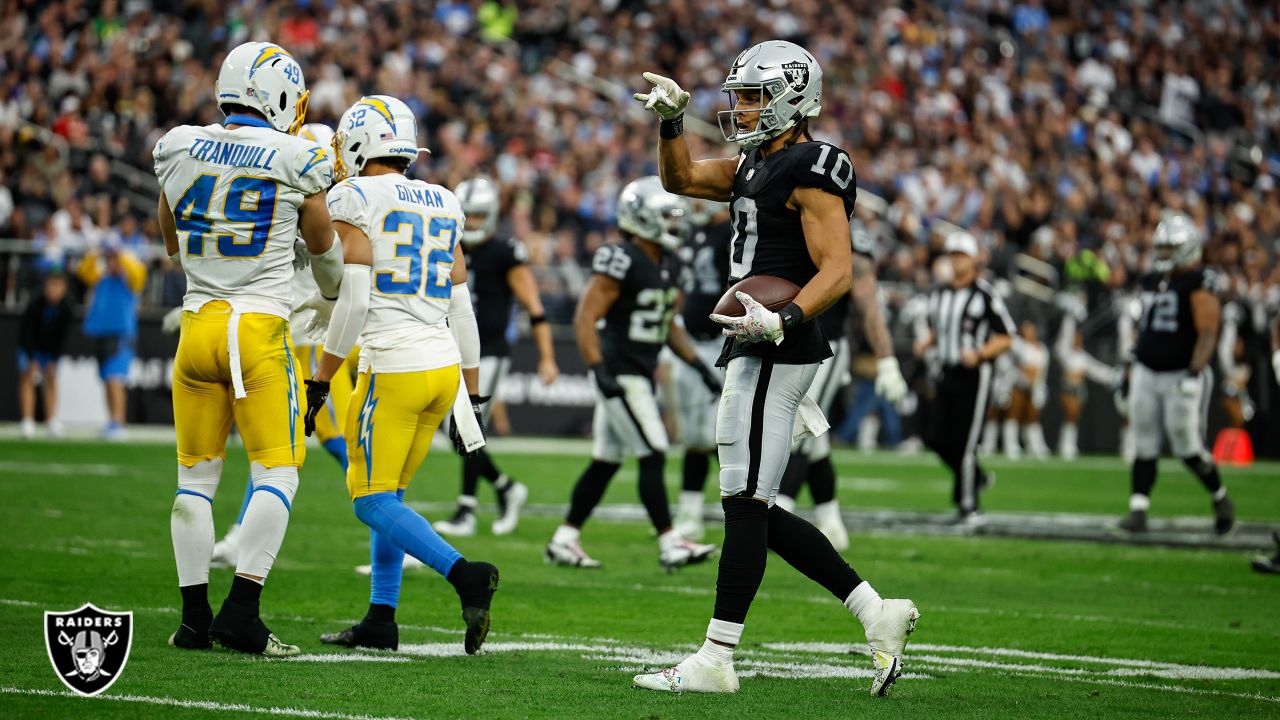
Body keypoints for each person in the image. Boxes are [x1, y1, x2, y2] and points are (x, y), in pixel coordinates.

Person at [629, 41, 918, 697]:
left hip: (778, 341)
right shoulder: (759, 162)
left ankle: (715, 658)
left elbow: (838, 270)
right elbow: (679, 179)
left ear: (794, 97)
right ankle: (878, 613)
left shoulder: (814, 164)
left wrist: (782, 320)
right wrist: (672, 121)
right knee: (748, 503)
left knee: (746, 503)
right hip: (755, 338)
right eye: (740, 95)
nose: (742, 107)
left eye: (756, 95)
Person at [154, 41, 337, 657]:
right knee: (278, 473)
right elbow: (322, 247)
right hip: (257, 328)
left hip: (197, 323)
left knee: (194, 481)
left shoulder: (179, 145)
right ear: (280, 96)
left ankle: (193, 618)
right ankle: (242, 611)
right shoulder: (296, 154)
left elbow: (171, 232)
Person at [309, 95, 499, 654]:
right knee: (388, 496)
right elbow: (462, 305)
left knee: (369, 500)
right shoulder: (444, 200)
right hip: (442, 368)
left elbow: (355, 301)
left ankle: (465, 573)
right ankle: (380, 619)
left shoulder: (355, 195)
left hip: (392, 366)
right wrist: (472, 385)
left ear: (360, 142)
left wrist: (322, 378)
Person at [545, 176, 721, 570]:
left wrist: (697, 365)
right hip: (619, 371)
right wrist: (598, 370)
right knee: (653, 451)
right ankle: (670, 542)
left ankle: (565, 538)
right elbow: (586, 318)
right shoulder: (621, 258)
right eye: (666, 216)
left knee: (606, 461)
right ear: (641, 217)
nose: (676, 224)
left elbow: (667, 323)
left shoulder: (669, 260)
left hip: (638, 371)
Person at [208, 122, 357, 569]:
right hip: (284, 332)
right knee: (278, 446)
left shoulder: (331, 204)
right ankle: (241, 536)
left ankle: (393, 525)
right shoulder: (288, 194)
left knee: (336, 443)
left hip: (311, 336)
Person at [434, 176, 558, 538]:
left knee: (466, 425)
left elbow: (534, 307)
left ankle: (467, 510)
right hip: (450, 348)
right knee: (453, 428)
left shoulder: (505, 251)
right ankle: (505, 487)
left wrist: (547, 357)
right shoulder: (446, 244)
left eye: (477, 215)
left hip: (489, 350)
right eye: (466, 215)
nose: (471, 223)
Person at [775, 222, 907, 550]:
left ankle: (780, 516)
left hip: (825, 348)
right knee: (815, 441)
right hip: (789, 344)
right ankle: (831, 521)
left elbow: (869, 310)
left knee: (798, 432)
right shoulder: (791, 226)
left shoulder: (852, 242)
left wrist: (887, 360)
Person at [1114, 215, 1234, 535]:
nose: (1163, 253)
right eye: (1161, 247)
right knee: (1144, 442)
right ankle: (1138, 509)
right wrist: (1128, 371)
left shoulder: (1199, 281)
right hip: (1146, 370)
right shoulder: (1153, 280)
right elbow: (1146, 331)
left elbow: (1208, 331)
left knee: (1187, 446)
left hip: (1180, 374)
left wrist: (1194, 372)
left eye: (1169, 248)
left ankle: (1220, 497)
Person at [916, 231, 1015, 521]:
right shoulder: (940, 293)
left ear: (973, 260)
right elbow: (942, 329)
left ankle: (969, 504)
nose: (956, 261)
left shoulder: (984, 294)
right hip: (947, 371)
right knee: (934, 436)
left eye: (961, 255)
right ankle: (978, 477)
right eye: (953, 255)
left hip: (975, 374)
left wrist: (981, 353)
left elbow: (1006, 336)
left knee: (966, 442)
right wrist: (927, 342)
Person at [671, 199, 732, 541]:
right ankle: (690, 512)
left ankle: (751, 505)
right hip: (692, 343)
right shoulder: (697, 233)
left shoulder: (731, 231)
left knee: (717, 433)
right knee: (694, 436)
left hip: (720, 342)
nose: (695, 203)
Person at [77, 238, 147, 440]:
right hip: (102, 333)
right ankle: (112, 421)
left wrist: (120, 253)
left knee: (115, 378)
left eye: (114, 260)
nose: (112, 263)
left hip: (121, 334)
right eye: (110, 260)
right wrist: (99, 252)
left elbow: (138, 272)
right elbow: (84, 271)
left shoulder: (130, 281)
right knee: (106, 379)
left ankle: (119, 422)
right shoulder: (101, 278)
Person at [18, 272, 73, 439]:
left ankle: (51, 420)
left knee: (51, 377)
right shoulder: (35, 304)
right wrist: (32, 357)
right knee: (27, 377)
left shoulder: (66, 308)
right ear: (45, 286)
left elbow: (62, 337)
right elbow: (27, 332)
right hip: (30, 347)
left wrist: (53, 359)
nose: (54, 290)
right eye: (52, 285)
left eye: (58, 286)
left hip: (50, 350)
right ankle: (28, 420)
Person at [1009, 321, 1050, 460]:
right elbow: (1015, 364)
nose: (1028, 333)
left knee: (1033, 415)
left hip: (1035, 386)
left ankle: (1035, 445)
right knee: (1014, 413)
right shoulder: (1019, 345)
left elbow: (1042, 370)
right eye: (1025, 330)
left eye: (1030, 330)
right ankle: (1011, 445)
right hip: (1019, 384)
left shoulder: (1042, 348)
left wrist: (1038, 385)